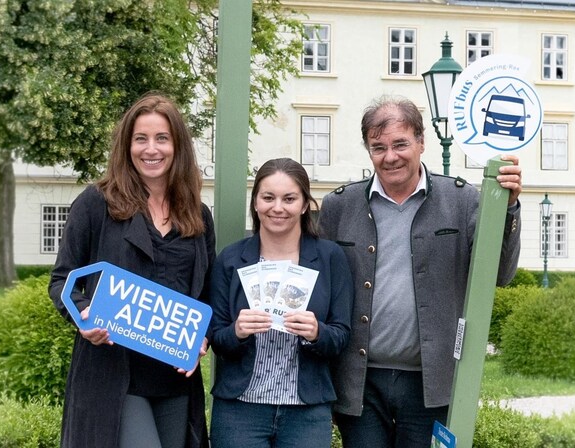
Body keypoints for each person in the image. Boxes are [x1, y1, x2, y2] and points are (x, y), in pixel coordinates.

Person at [318, 96, 522, 448]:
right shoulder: (339, 206)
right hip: (360, 381)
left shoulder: (462, 200)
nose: (390, 156)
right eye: (378, 147)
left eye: (400, 143)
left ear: (421, 142)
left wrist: (509, 206)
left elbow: (499, 275)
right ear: (368, 151)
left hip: (433, 382)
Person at [48, 92, 215, 448]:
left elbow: (205, 294)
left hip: (174, 377)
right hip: (114, 374)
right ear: (127, 145)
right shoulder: (96, 204)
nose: (150, 149)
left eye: (161, 139)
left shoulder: (199, 215)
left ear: (177, 146)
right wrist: (83, 315)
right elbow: (63, 280)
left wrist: (203, 337)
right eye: (141, 139)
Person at [209, 157, 353, 447]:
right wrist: (237, 331)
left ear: (304, 205)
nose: (278, 207)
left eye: (289, 198)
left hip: (306, 411)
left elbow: (341, 335)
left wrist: (317, 333)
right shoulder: (231, 259)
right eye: (268, 197)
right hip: (240, 408)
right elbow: (215, 335)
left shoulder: (329, 258)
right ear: (256, 203)